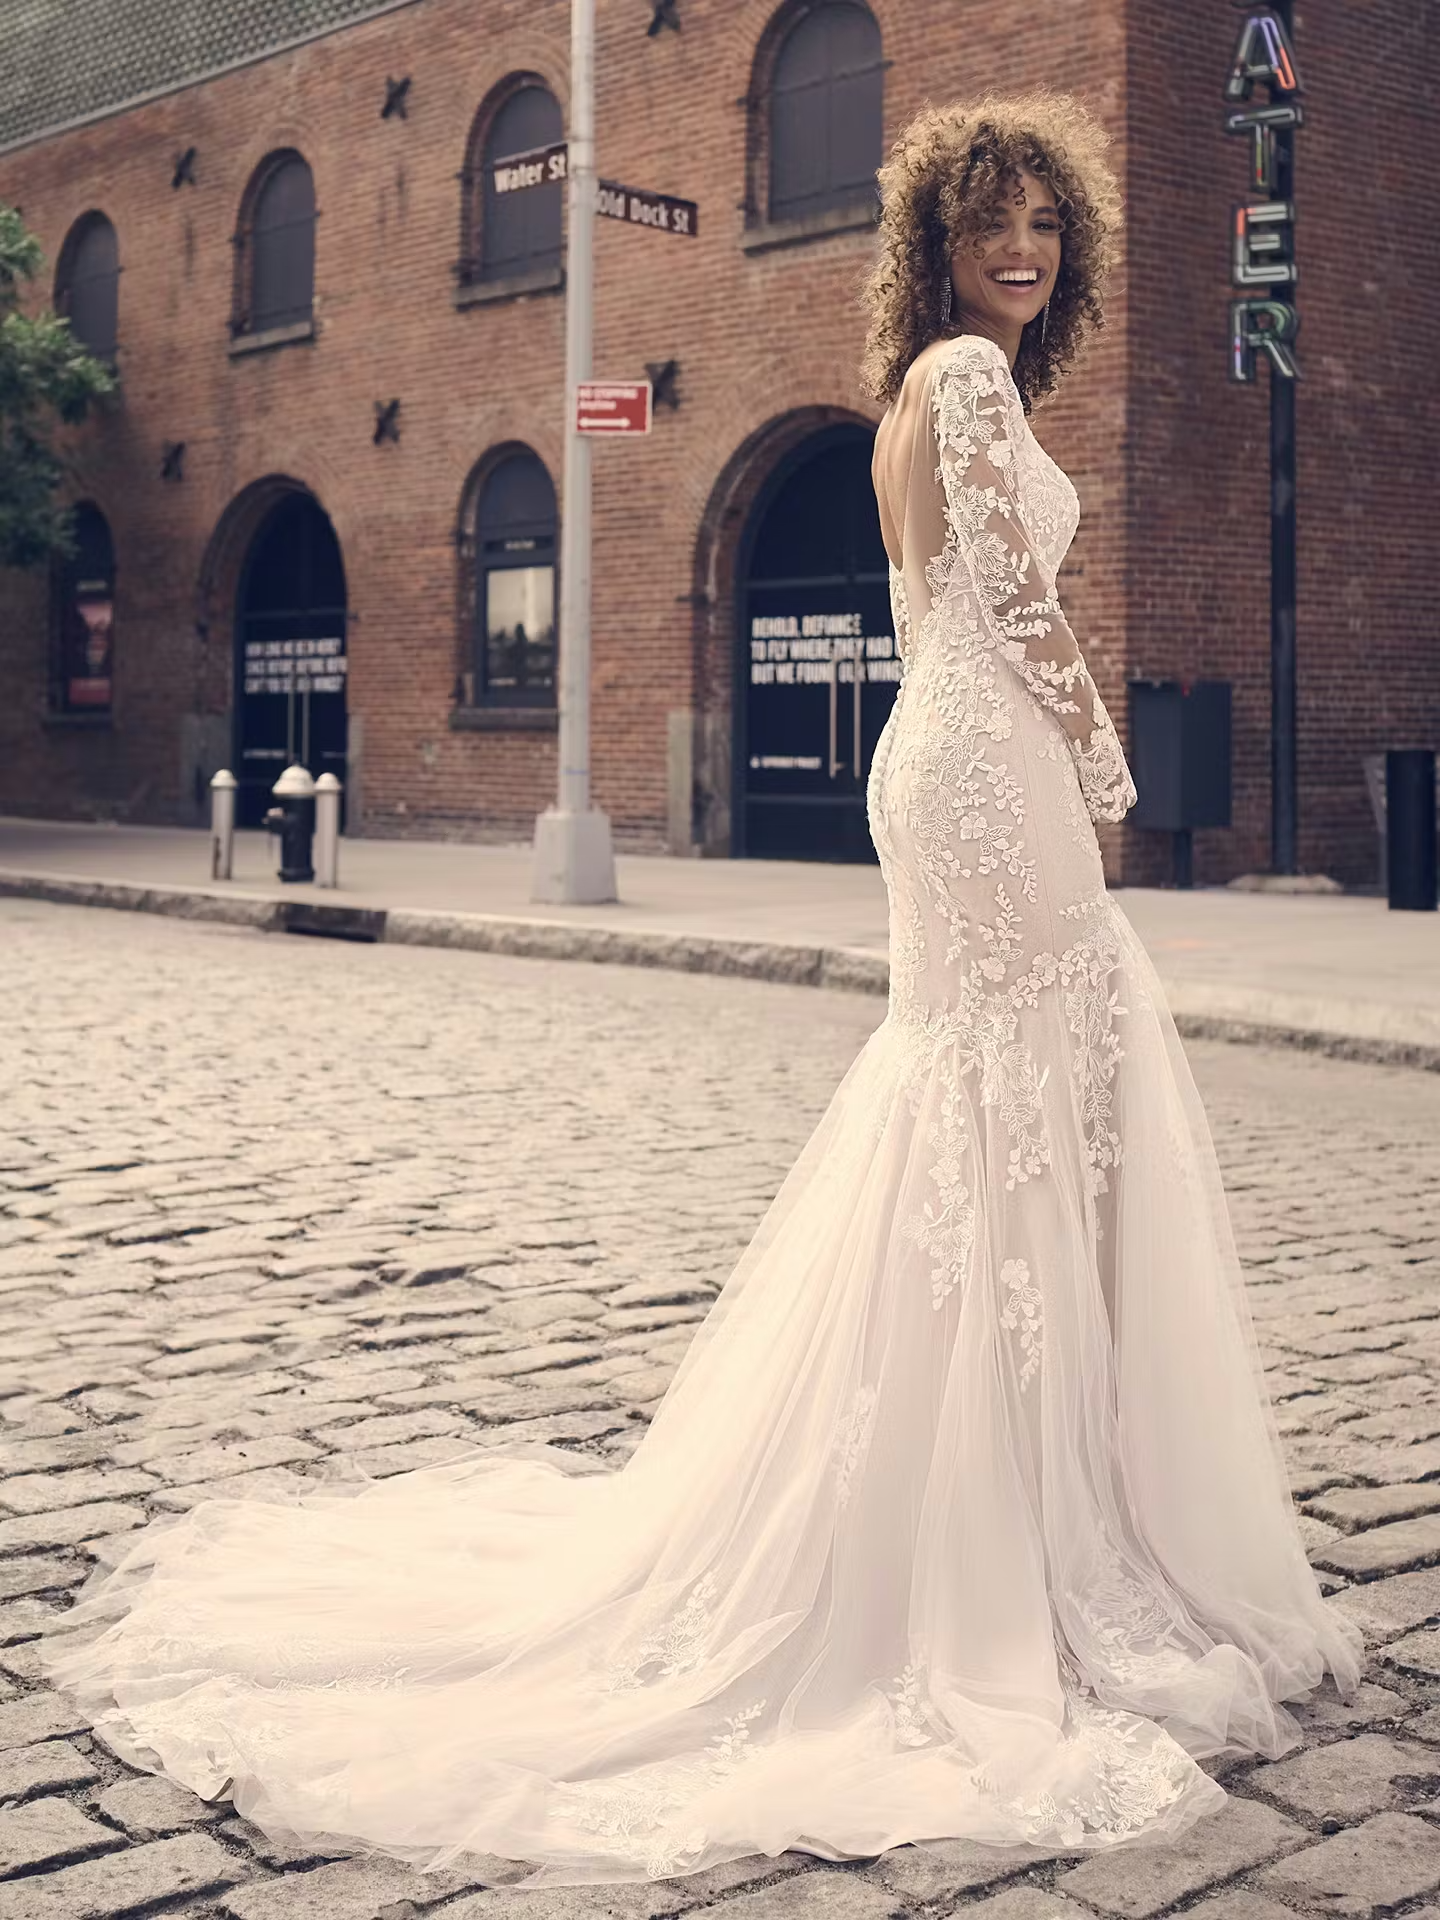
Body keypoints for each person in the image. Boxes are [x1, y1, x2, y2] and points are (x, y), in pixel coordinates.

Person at [38, 90, 1360, 1888]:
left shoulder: (924, 391)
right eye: (992, 232)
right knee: (1028, 1097)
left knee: (981, 1103)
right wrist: (1108, 756)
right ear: (943, 249)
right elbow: (1010, 602)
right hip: (990, 768)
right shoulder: (966, 386)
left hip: (937, 760)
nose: (1026, 256)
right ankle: (1018, 1531)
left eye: (1045, 228)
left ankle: (1010, 1500)